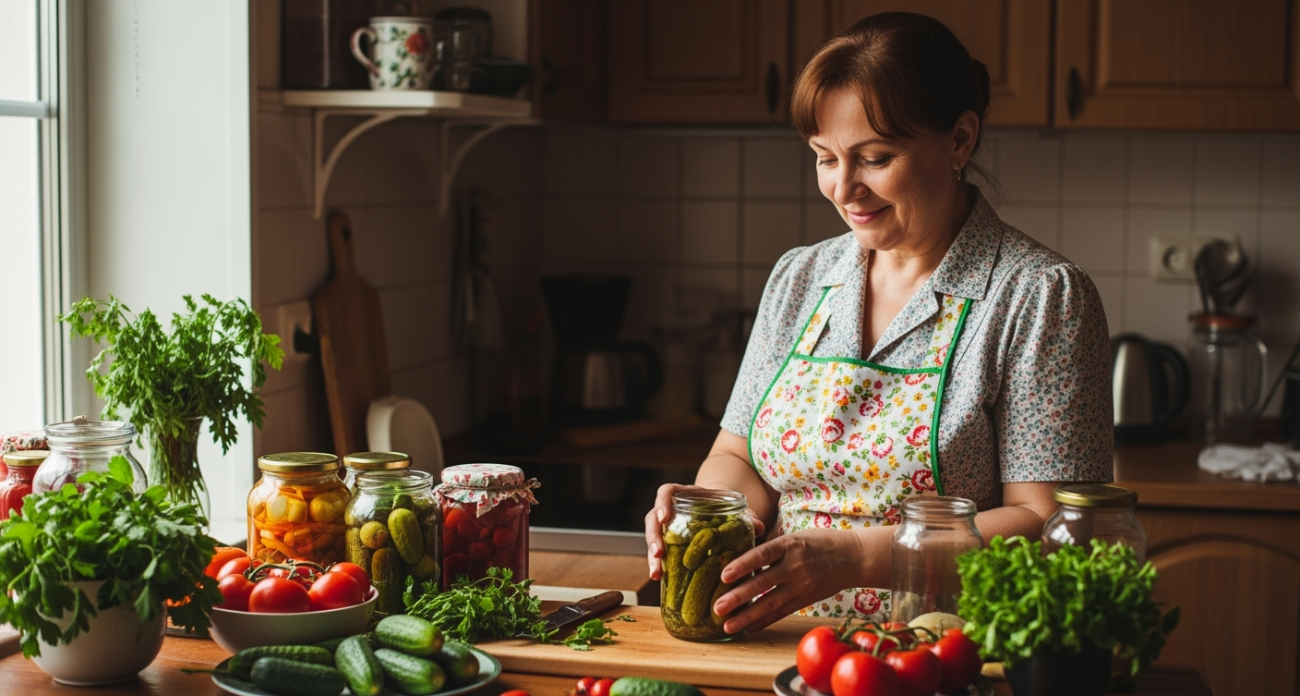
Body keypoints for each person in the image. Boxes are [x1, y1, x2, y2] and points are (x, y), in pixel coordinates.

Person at [644, 12, 1113, 635]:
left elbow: (1051, 525)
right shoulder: (800, 279)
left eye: (874, 158)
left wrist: (857, 556)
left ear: (960, 140)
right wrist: (715, 514)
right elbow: (738, 455)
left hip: (946, 651)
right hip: (780, 644)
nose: (844, 189)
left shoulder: (1039, 298)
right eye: (824, 158)